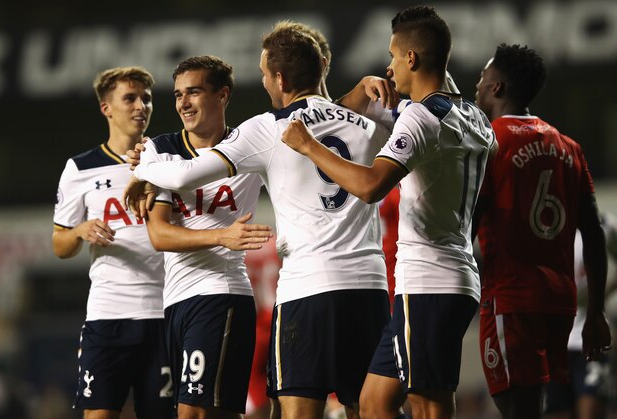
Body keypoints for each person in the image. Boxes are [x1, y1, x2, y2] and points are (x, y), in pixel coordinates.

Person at [124, 23, 392, 419]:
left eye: (266, 75)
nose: (265, 83)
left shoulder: (267, 129)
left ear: (280, 78)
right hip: (370, 285)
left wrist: (145, 161)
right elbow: (334, 112)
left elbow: (182, 177)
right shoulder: (370, 122)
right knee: (368, 409)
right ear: (321, 66)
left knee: (296, 410)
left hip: (307, 287)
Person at [280, 6, 496, 419]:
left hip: (430, 280)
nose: (389, 66)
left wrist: (309, 145)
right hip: (452, 275)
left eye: (394, 56)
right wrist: (363, 91)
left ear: (411, 59)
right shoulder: (473, 117)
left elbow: (369, 186)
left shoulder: (420, 117)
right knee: (374, 403)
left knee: (429, 407)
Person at [472, 43, 612, 419]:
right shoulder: (570, 147)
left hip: (510, 299)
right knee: (538, 409)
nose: (478, 85)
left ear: (498, 86)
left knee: (519, 409)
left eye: (483, 78)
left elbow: (467, 220)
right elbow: (594, 233)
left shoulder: (488, 143)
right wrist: (596, 313)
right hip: (559, 304)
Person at [135, 55, 272, 419]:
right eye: (178, 94)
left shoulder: (250, 146)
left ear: (222, 95)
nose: (183, 103)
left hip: (221, 294)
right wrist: (221, 235)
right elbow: (160, 234)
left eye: (193, 92)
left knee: (193, 413)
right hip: (175, 302)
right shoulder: (160, 150)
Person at [52, 66, 173, 419]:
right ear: (107, 108)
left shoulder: (167, 160)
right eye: (130, 98)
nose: (141, 106)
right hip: (109, 316)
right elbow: (59, 244)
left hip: (163, 312)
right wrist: (79, 231)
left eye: (147, 99)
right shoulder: (80, 168)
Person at [544, 214, 617, 419]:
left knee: (591, 412)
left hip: (589, 338)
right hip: (553, 342)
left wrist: (605, 292)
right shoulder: (544, 224)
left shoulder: (603, 225)